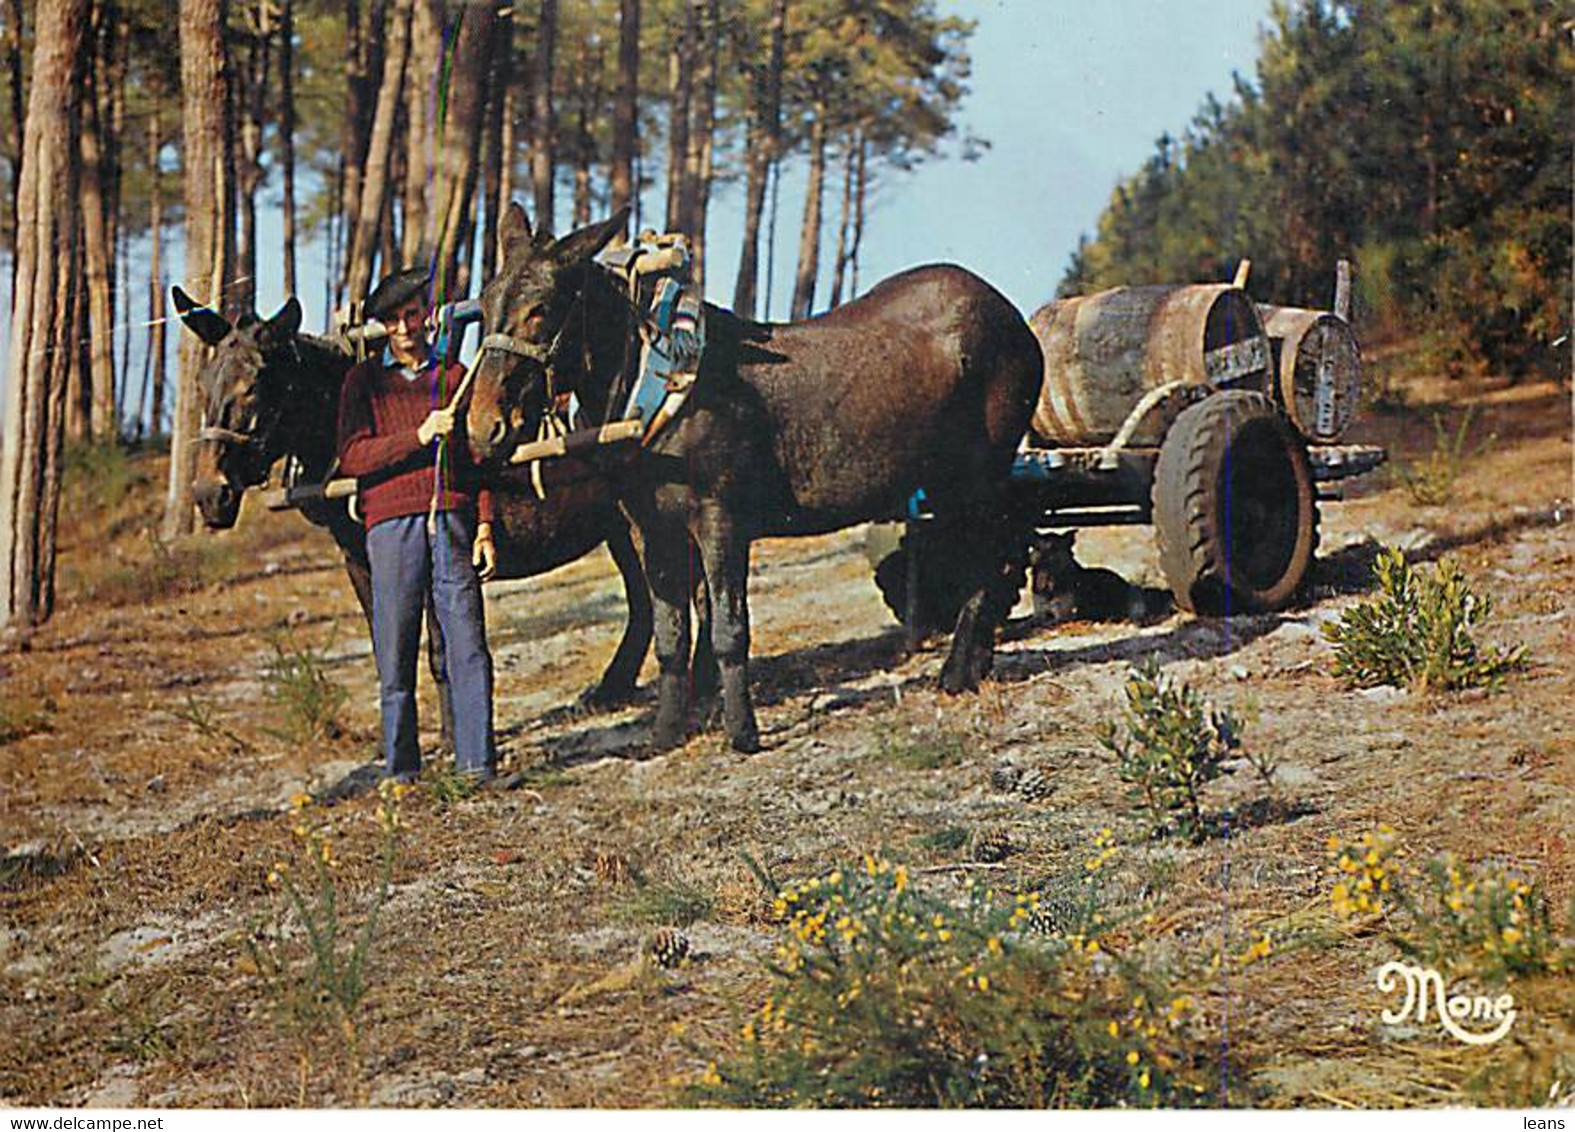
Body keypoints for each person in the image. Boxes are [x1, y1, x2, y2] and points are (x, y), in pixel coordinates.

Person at [336, 267, 499, 785]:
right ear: (383, 328)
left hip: (451, 520)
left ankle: (477, 766)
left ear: (427, 318)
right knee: (397, 647)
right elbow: (353, 456)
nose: (403, 328)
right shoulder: (363, 382)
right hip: (390, 528)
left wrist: (485, 526)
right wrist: (419, 435)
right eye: (392, 320)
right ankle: (401, 771)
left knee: (467, 644)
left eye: (411, 316)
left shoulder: (454, 377)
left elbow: (479, 464)